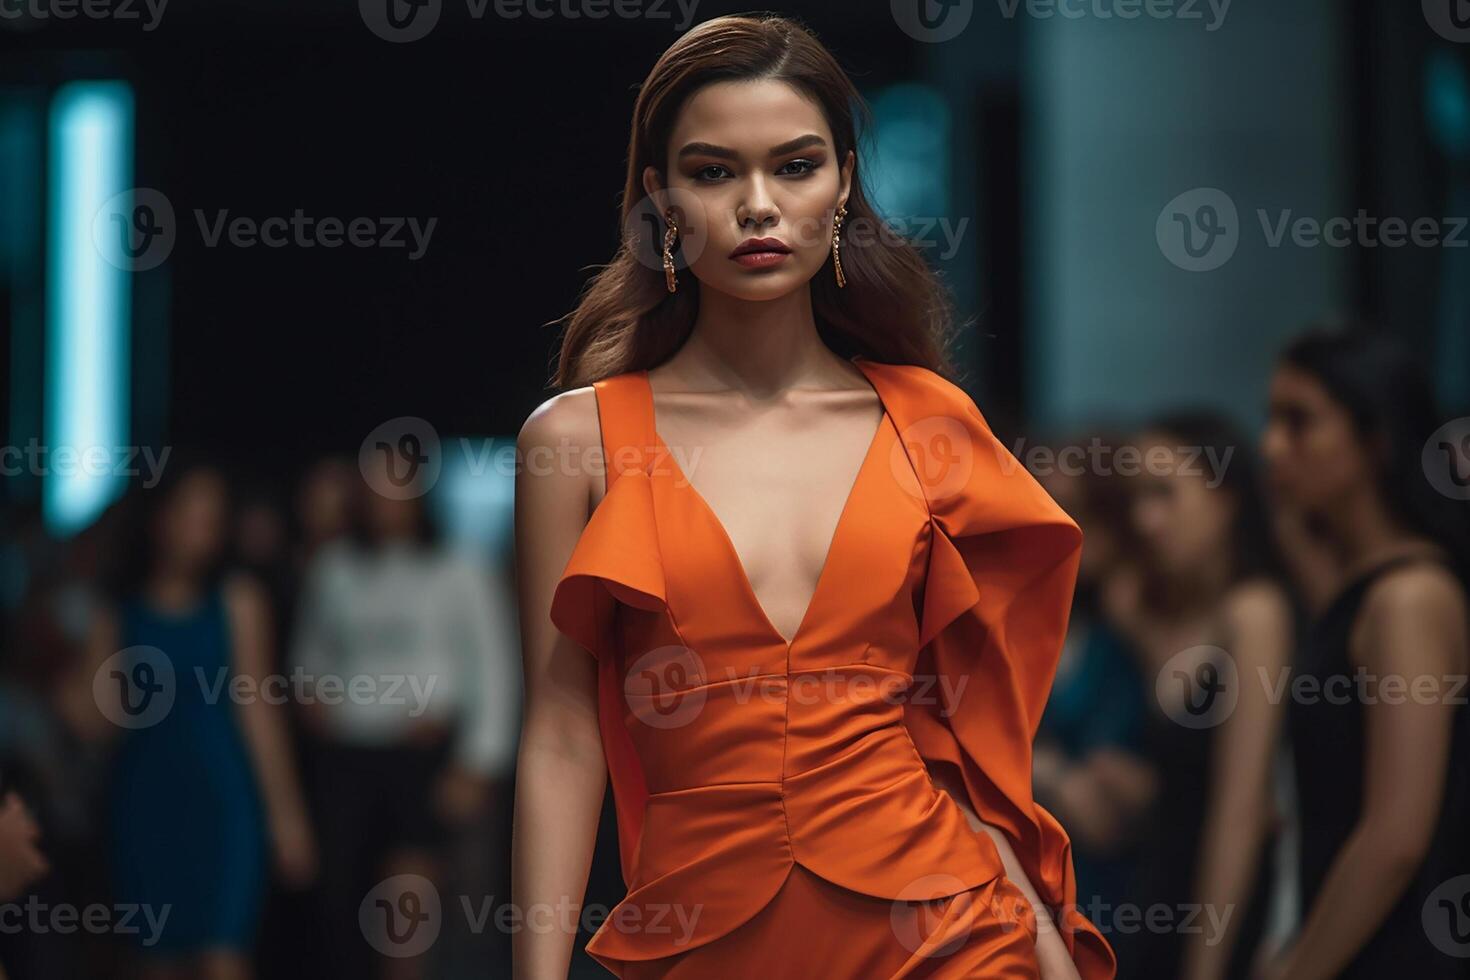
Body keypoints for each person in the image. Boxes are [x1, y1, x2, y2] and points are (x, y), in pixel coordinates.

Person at [512, 14, 1114, 979]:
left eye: (795, 166)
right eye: (713, 173)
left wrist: (1040, 933)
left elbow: (954, 732)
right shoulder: (573, 443)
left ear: (842, 187)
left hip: (945, 931)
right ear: (659, 200)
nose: (759, 204)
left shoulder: (931, 424)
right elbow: (558, 736)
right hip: (704, 935)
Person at [1258, 323, 1470, 979]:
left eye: (1300, 422)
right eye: (1271, 419)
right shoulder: (1363, 589)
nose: (1272, 446)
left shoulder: (1409, 597)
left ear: (1374, 440)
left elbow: (1395, 837)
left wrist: (1296, 970)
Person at [91, 460, 317, 980]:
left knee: (224, 953)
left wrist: (286, 816)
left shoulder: (238, 600)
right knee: (155, 960)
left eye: (214, 517)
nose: (204, 528)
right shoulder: (118, 610)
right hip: (145, 795)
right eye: (193, 513)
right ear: (159, 519)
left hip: (224, 798)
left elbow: (259, 709)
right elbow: (94, 721)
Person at [1103, 414, 1293, 980]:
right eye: (1136, 498)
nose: (1146, 519)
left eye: (1165, 493)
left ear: (1227, 496)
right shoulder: (1154, 613)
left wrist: (1204, 967)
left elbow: (1241, 811)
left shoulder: (1255, 613)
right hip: (1154, 894)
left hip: (1221, 911)